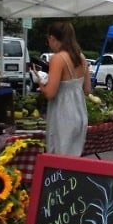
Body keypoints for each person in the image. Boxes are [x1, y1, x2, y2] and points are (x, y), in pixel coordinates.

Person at [35, 22, 91, 156]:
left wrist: (40, 83)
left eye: (48, 40)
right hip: (80, 113)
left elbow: (50, 93)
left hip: (63, 115)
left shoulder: (58, 59)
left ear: (53, 38)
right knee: (74, 159)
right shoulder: (81, 57)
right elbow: (87, 90)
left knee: (60, 159)